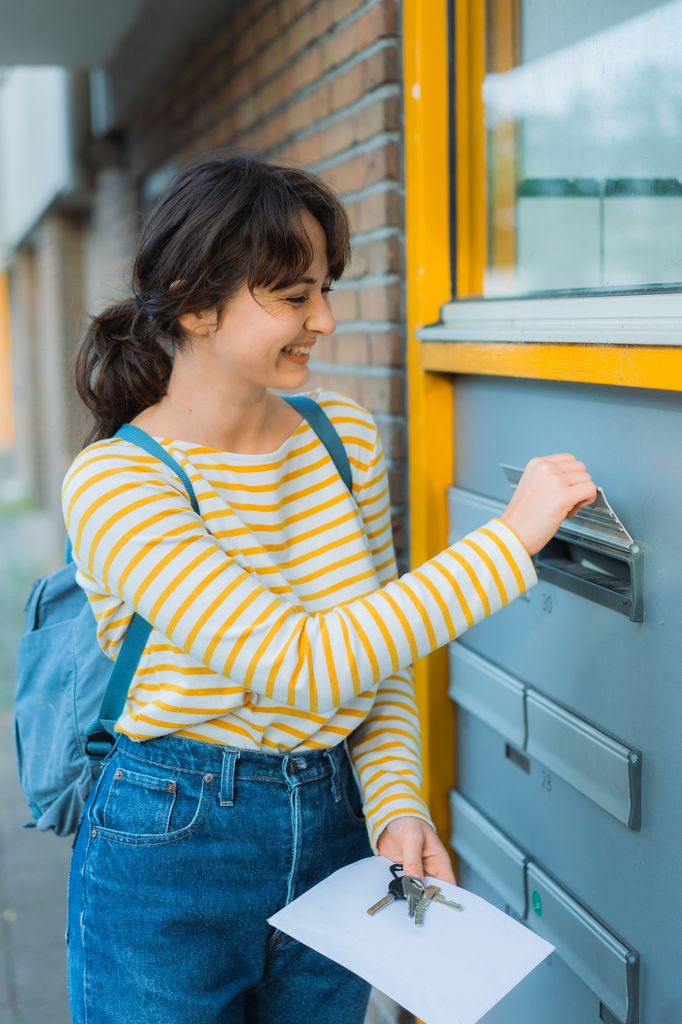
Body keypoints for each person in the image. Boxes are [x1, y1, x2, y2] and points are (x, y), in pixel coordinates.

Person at [61, 147, 597, 1024]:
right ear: (197, 304)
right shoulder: (119, 483)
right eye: (296, 296)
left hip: (335, 823)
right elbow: (300, 663)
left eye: (327, 289)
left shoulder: (340, 434)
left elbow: (370, 653)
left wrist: (395, 806)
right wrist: (508, 542)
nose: (327, 320)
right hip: (172, 839)